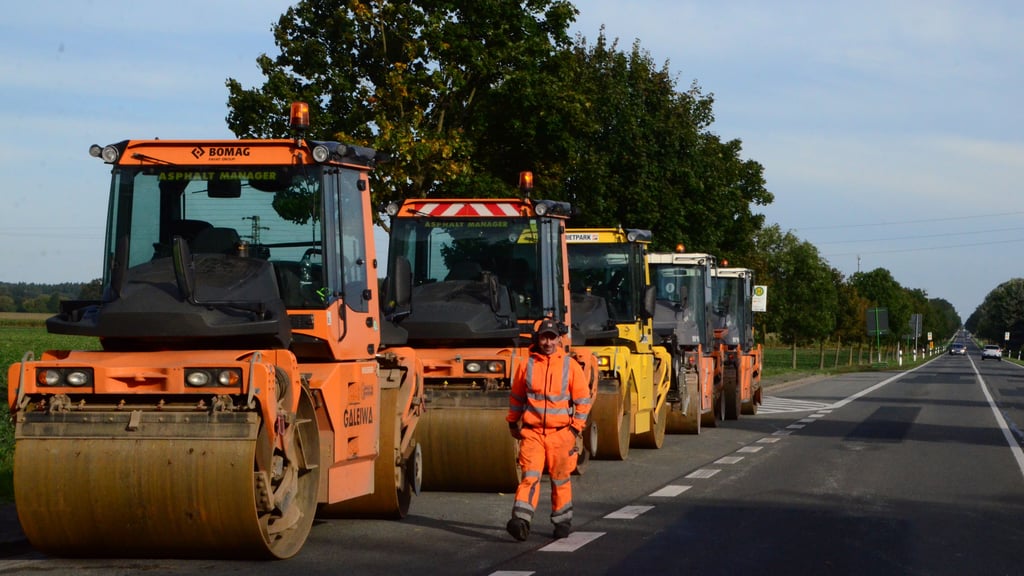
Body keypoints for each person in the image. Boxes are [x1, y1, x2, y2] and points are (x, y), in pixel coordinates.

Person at [505, 318, 592, 541]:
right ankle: (521, 521)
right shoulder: (527, 365)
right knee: (529, 476)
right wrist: (513, 422)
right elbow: (516, 397)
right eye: (544, 337)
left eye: (552, 338)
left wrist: (574, 429)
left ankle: (562, 522)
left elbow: (583, 401)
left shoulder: (569, 366)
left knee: (560, 479)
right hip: (532, 433)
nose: (548, 342)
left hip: (561, 434)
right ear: (538, 339)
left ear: (558, 340)